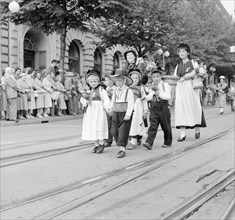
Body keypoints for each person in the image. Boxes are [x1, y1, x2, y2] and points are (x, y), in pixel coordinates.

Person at [173, 43, 206, 141]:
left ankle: (196, 128)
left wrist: (190, 75)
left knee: (193, 108)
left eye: (183, 51)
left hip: (191, 89)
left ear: (187, 52)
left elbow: (200, 72)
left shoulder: (193, 63)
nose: (181, 53)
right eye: (180, 51)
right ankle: (183, 134)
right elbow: (175, 78)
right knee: (181, 110)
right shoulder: (178, 66)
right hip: (180, 89)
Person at [80, 70, 111, 154]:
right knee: (93, 126)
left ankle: (101, 143)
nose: (93, 83)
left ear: (98, 81)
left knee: (99, 125)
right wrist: (85, 100)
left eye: (95, 81)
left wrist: (107, 108)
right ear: (88, 83)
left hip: (99, 110)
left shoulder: (101, 90)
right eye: (91, 82)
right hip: (91, 111)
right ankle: (96, 144)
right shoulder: (89, 91)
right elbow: (83, 101)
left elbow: (106, 99)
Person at [143, 67, 172, 150]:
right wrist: (145, 97)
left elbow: (167, 96)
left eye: (157, 76)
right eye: (154, 77)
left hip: (163, 107)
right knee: (153, 125)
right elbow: (151, 96)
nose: (156, 78)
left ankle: (168, 142)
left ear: (161, 76)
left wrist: (158, 93)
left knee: (166, 126)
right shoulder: (152, 86)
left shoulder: (165, 85)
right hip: (154, 107)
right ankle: (149, 142)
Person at [110, 69, 134, 158]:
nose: (118, 82)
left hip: (124, 113)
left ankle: (122, 149)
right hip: (116, 112)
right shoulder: (115, 90)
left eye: (120, 80)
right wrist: (110, 108)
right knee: (113, 131)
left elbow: (131, 103)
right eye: (117, 81)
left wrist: (128, 114)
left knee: (123, 131)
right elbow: (113, 100)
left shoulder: (128, 91)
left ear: (124, 81)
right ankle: (122, 143)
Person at [127, 70, 148, 150]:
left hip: (138, 109)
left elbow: (144, 100)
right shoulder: (128, 88)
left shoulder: (141, 88)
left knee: (137, 123)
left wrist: (145, 110)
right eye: (133, 78)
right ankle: (135, 138)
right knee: (131, 124)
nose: (134, 80)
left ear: (139, 79)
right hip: (130, 108)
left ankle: (134, 141)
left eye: (136, 78)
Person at [103, 73, 116, 147]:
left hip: (115, 109)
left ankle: (119, 139)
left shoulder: (115, 89)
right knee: (108, 125)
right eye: (105, 80)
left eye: (107, 80)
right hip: (108, 109)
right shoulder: (105, 89)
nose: (106, 82)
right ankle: (108, 140)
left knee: (116, 125)